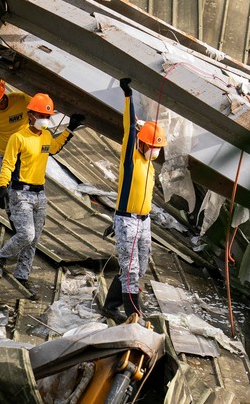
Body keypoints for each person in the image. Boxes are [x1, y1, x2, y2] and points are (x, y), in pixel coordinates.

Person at [0, 93, 84, 293]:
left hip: (40, 193)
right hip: (20, 193)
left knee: (34, 239)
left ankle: (22, 276)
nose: (45, 120)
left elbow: (53, 148)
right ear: (30, 114)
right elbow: (8, 163)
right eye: (41, 115)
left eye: (47, 116)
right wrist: (2, 187)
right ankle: (1, 257)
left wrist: (70, 129)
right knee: (26, 234)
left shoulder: (46, 136)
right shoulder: (18, 138)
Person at [101, 78, 166, 321]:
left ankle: (111, 304)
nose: (155, 151)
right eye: (152, 146)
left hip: (143, 221)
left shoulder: (149, 165)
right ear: (141, 142)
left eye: (157, 147)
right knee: (130, 269)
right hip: (128, 221)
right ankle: (133, 315)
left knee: (140, 266)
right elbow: (129, 127)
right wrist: (128, 96)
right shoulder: (132, 160)